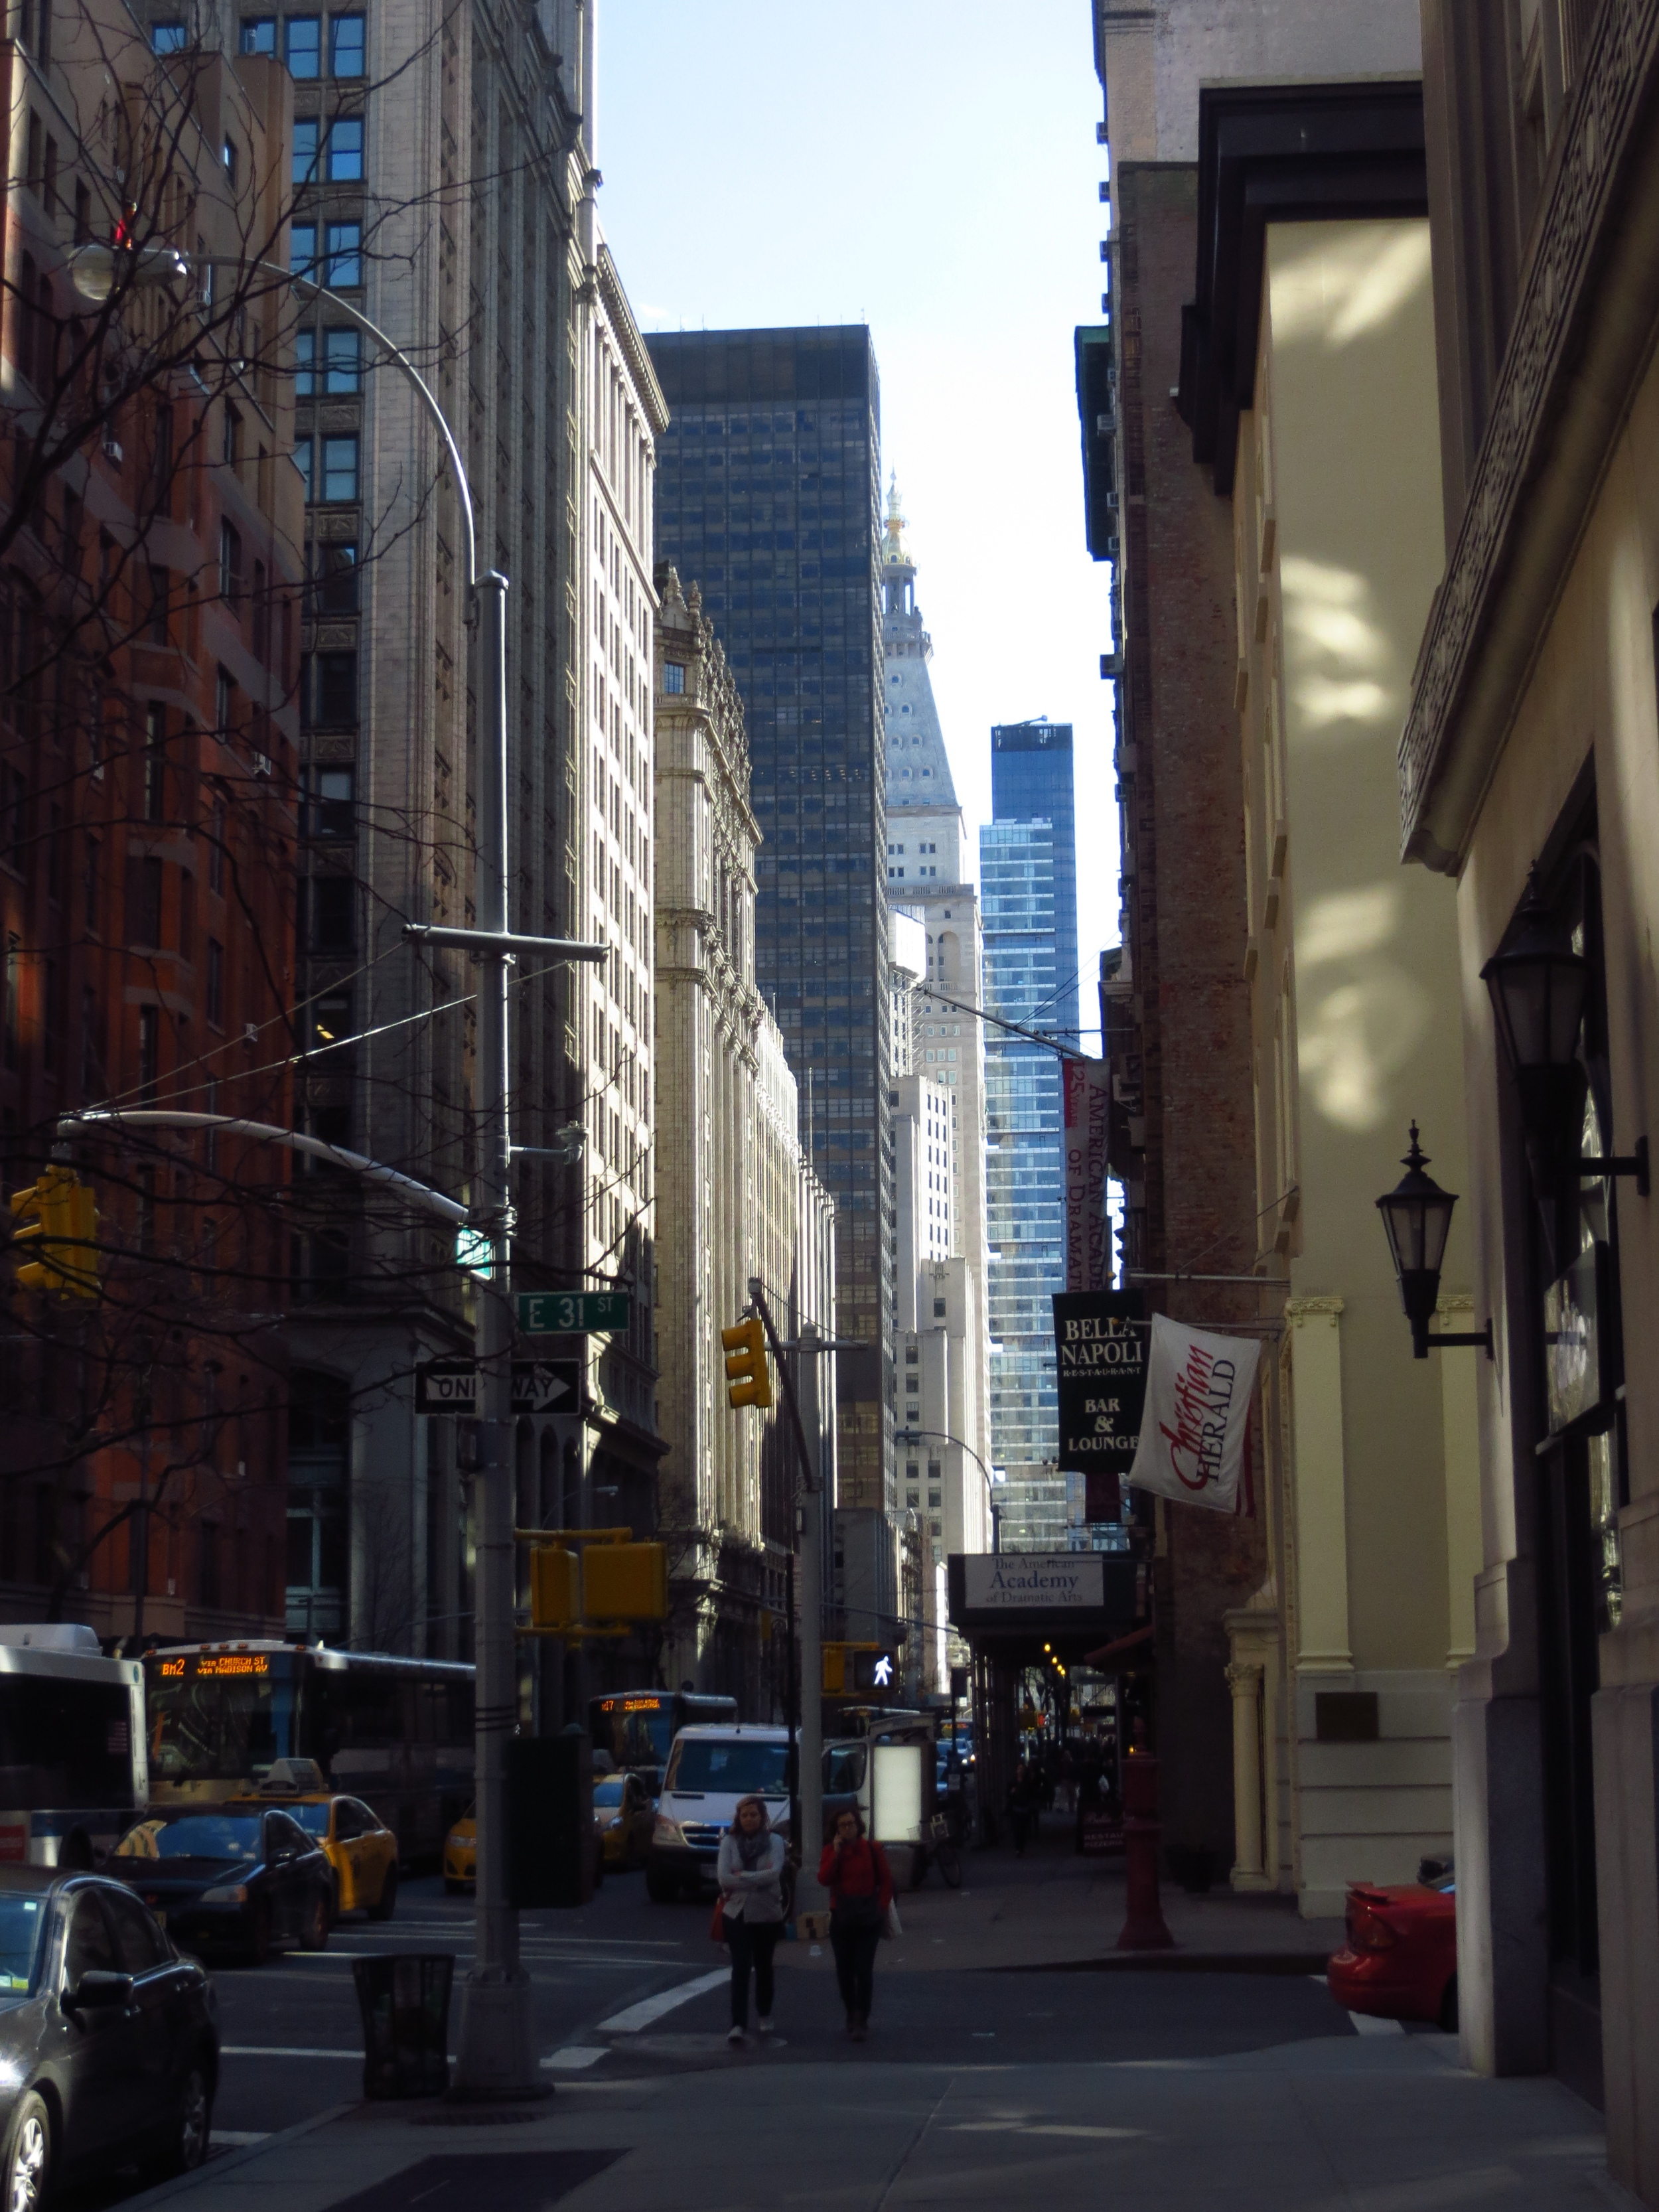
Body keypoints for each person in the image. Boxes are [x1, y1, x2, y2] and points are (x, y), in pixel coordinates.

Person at [716, 1793, 788, 2047]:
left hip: (766, 1914)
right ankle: (738, 2023)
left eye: (754, 1814)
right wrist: (757, 1879)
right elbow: (724, 1879)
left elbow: (775, 1873)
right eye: (745, 1815)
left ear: (762, 1816)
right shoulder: (729, 1843)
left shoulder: (775, 1841)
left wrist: (742, 1877)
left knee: (764, 1966)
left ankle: (765, 2013)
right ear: (739, 1818)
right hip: (736, 1913)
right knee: (741, 1967)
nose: (749, 1819)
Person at [817, 1805, 893, 2043]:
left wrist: (881, 1908)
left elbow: (887, 1881)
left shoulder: (872, 1849)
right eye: (843, 1825)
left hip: (868, 1917)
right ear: (836, 1830)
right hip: (842, 1917)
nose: (848, 1829)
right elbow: (824, 1879)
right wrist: (837, 1855)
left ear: (858, 1826)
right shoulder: (831, 1851)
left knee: (864, 1969)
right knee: (844, 1971)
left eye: (851, 1824)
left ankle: (861, 2018)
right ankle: (850, 2010)